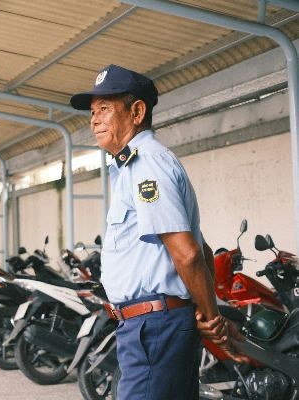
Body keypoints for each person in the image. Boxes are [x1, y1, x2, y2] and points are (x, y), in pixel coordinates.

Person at [70, 64, 245, 400]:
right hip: (149, 326)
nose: (94, 120)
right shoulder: (131, 166)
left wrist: (212, 319)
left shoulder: (146, 164)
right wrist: (212, 315)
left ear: (137, 112)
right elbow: (201, 249)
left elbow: (188, 254)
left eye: (105, 109)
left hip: (154, 327)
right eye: (92, 112)